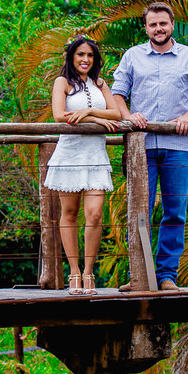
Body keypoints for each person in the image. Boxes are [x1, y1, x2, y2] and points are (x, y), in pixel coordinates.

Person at [111, 2, 188, 292]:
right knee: (138, 210)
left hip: (178, 145)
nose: (158, 29)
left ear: (172, 25)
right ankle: (138, 275)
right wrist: (128, 116)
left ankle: (166, 275)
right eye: (152, 24)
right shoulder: (133, 56)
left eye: (163, 23)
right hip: (140, 147)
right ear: (145, 28)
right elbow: (117, 94)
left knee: (175, 211)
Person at [44, 35, 121, 295]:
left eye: (89, 55)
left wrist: (89, 114)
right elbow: (59, 115)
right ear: (71, 57)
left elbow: (117, 114)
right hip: (70, 155)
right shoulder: (62, 82)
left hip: (96, 156)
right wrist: (97, 119)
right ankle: (74, 273)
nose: (85, 59)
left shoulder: (101, 84)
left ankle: (89, 273)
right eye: (80, 55)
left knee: (95, 214)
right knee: (69, 214)